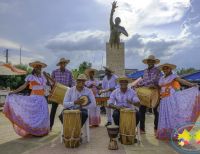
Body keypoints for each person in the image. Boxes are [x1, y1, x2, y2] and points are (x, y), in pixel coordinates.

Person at [3, 61, 50, 137]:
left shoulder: (43, 77)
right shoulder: (30, 77)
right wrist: (14, 92)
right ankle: (32, 131)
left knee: (42, 116)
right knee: (33, 116)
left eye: (40, 67)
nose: (39, 69)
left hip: (42, 99)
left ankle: (40, 131)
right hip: (34, 98)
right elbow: (24, 86)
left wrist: (47, 77)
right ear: (34, 68)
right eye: (37, 67)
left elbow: (47, 87)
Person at [156, 63, 200, 140]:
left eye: (167, 68)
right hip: (163, 100)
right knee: (165, 116)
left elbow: (182, 81)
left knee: (172, 115)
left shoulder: (173, 76)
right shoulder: (161, 78)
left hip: (171, 99)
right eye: (164, 68)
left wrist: (191, 84)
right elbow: (159, 88)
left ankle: (175, 133)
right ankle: (166, 132)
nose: (165, 70)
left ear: (170, 69)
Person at [136, 55, 161, 134]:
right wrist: (139, 84)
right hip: (145, 92)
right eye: (149, 61)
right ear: (147, 62)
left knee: (156, 111)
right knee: (141, 110)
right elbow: (143, 79)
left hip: (155, 91)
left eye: (151, 61)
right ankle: (142, 128)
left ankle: (156, 128)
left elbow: (154, 80)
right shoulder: (145, 70)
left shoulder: (157, 70)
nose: (150, 62)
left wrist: (142, 84)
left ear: (154, 62)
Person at [50, 58, 74, 130]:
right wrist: (52, 86)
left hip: (66, 93)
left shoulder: (69, 73)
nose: (63, 64)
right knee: (53, 109)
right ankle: (50, 126)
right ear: (60, 64)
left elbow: (72, 83)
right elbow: (51, 82)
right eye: (61, 63)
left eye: (64, 63)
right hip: (56, 93)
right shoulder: (54, 72)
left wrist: (70, 90)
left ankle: (67, 125)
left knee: (67, 108)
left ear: (66, 64)